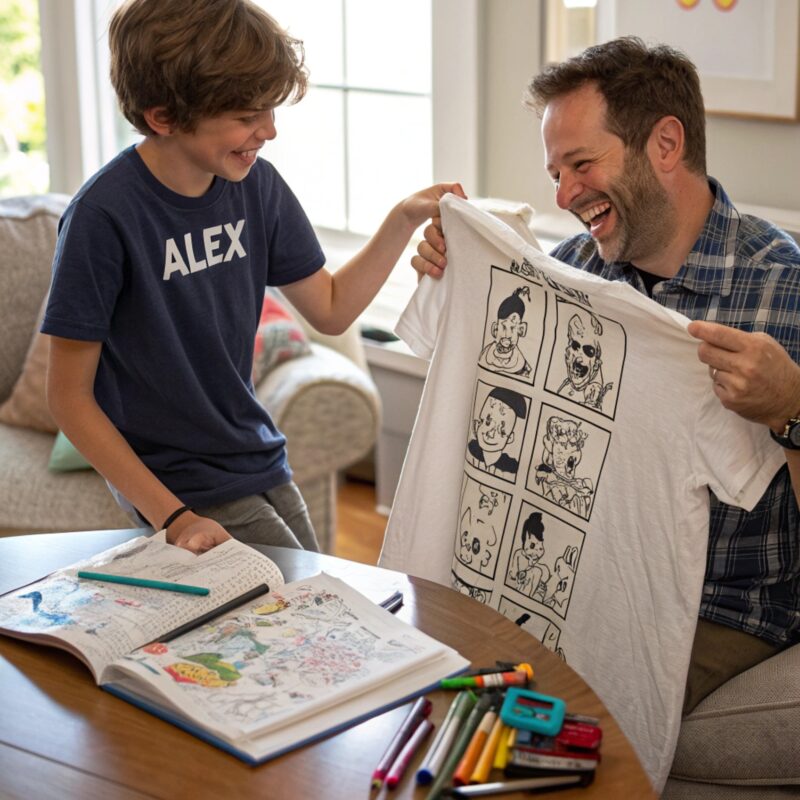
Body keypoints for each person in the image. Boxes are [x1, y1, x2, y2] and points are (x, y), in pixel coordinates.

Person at [413, 36, 800, 714]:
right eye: (554, 173)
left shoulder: (784, 291)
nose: (564, 194)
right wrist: (460, 277)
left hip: (721, 609)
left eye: (581, 163)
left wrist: (792, 407)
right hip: (574, 583)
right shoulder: (569, 276)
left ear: (666, 145)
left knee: (554, 714)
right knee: (434, 673)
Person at [43, 0, 462, 557]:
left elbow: (331, 308)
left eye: (267, 109)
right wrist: (170, 516)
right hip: (176, 482)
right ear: (163, 116)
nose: (268, 129)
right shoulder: (102, 217)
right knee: (309, 617)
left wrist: (402, 219)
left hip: (252, 452)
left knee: (314, 606)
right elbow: (68, 397)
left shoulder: (257, 187)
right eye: (245, 116)